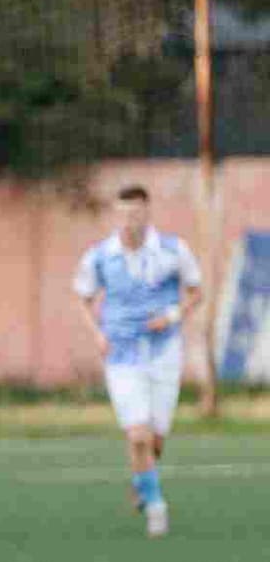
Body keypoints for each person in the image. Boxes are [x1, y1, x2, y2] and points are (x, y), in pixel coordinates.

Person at [73, 184, 203, 538]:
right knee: (138, 435)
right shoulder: (100, 257)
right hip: (122, 355)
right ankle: (156, 505)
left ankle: (140, 481)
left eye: (137, 212)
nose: (130, 220)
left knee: (156, 441)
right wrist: (97, 335)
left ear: (148, 212)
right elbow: (82, 298)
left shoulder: (173, 251)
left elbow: (196, 291)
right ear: (117, 215)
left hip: (164, 353)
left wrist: (173, 316)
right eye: (124, 213)